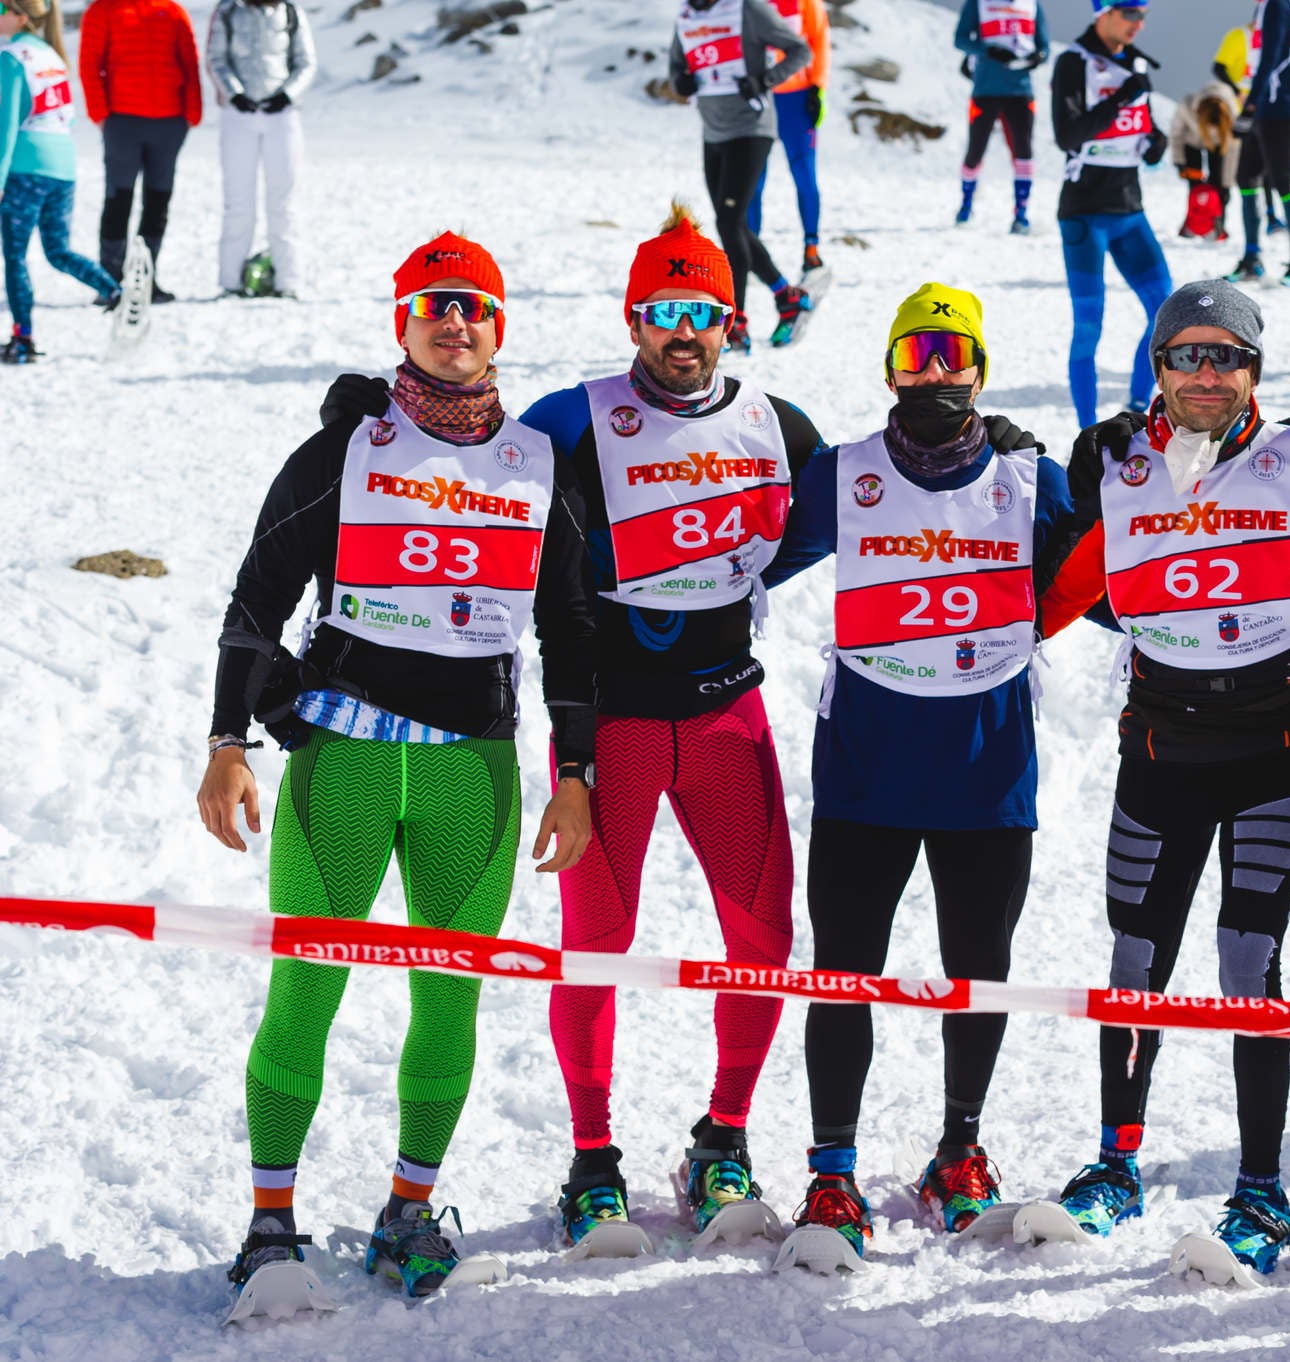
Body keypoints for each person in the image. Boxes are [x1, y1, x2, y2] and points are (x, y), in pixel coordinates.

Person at [197, 231, 601, 1301]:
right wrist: (226, 741)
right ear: (403, 326)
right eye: (434, 305)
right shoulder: (346, 446)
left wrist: (579, 773)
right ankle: (270, 1224)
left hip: (474, 773)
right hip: (348, 764)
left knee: (449, 1004)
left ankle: (409, 1212)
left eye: (472, 305)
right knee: (304, 993)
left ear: (497, 327)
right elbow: (256, 594)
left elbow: (569, 626)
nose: (454, 321)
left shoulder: (533, 461)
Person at [459, 208, 817, 1252]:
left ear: (730, 320)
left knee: (763, 939)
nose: (682, 333)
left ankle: (723, 1140)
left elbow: (848, 511)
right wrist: (348, 427)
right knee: (595, 946)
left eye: (701, 313)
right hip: (609, 725)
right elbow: (466, 480)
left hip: (723, 714)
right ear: (632, 318)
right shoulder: (572, 419)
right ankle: (590, 1158)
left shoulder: (777, 425)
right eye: (662, 312)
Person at [1030, 279, 1290, 1280]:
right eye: (1185, 354)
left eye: (1226, 356)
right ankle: (1114, 1164)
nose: (1205, 374)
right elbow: (1048, 594)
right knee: (1134, 961)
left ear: (1253, 370)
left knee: (1242, 966)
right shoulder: (1109, 457)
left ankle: (1258, 1189)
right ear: (1157, 367)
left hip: (1269, 757)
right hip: (1158, 753)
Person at [759, 283, 1066, 1271]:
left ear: (980, 368)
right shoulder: (839, 474)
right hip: (866, 772)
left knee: (978, 969)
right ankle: (832, 1169)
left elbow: (1113, 579)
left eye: (953, 352)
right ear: (889, 366)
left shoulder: (1027, 480)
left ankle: (959, 1150)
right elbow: (739, 561)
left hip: (985, 772)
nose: (934, 370)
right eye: (916, 352)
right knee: (843, 967)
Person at [1050, 0, 1171, 428]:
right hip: (1084, 215)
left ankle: (1139, 406)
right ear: (1104, 13)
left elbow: (1145, 127)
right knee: (1089, 326)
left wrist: (1157, 142)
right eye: (1131, 14)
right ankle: (1087, 431)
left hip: (1130, 209)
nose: (1139, 24)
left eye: (1144, 15)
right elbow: (1067, 135)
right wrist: (1121, 97)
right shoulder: (1072, 62)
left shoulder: (1136, 62)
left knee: (1165, 314)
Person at [667, 0, 812, 353]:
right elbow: (676, 67)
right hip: (713, 133)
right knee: (732, 225)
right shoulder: (687, 17)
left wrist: (765, 80)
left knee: (730, 222)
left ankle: (737, 323)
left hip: (751, 129)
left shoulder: (748, 9)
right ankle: (785, 295)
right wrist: (682, 82)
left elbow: (800, 50)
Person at [1, 0, 121, 364]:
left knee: (15, 256)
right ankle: (116, 292)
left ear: (20, 15)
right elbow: (65, 118)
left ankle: (23, 338)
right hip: (62, 166)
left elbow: (5, 127)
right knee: (58, 251)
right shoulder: (50, 55)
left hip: (26, 167)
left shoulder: (11, 57)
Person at [79, 0, 200, 297]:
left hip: (169, 122)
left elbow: (189, 62)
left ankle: (145, 280)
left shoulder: (172, 11)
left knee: (158, 201)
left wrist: (191, 113)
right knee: (118, 199)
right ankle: (109, 282)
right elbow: (89, 63)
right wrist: (100, 114)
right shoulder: (103, 10)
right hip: (123, 121)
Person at [206, 0, 315, 300]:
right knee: (238, 200)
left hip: (282, 117)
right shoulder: (228, 11)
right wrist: (235, 93)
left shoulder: (291, 13)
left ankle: (288, 281)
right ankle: (230, 282)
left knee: (284, 200)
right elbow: (216, 58)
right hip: (238, 117)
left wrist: (287, 95)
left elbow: (306, 62)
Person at [744, 0, 830, 276]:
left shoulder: (807, 3)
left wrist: (817, 87)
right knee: (753, 179)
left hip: (797, 98)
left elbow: (819, 40)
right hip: (761, 97)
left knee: (804, 175)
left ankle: (811, 248)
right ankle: (750, 251)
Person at [1228, 0, 1290, 288]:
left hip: (1278, 105)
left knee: (1282, 181)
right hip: (1269, 104)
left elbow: (1272, 55)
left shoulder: (1278, 4)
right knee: (1246, 177)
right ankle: (1252, 259)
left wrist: (1250, 105)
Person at [953, 0, 1046, 235]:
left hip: (1021, 90)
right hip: (986, 89)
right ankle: (966, 206)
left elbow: (1043, 45)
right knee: (975, 151)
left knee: (1023, 152)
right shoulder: (979, 3)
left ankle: (1021, 214)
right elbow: (960, 39)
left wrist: (1038, 56)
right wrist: (988, 50)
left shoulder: (1031, 5)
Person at [1168, 75, 1238, 243]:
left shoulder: (1233, 115)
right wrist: (1179, 161)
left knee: (1218, 185)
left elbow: (1233, 152)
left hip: (1218, 147)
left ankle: (1218, 225)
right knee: (1195, 187)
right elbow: (1176, 134)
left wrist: (1227, 184)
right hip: (1192, 144)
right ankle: (1194, 223)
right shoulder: (1188, 106)